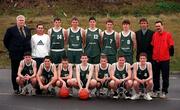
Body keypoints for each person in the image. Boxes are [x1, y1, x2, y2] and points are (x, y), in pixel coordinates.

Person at [3, 15, 31, 94]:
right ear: (17, 21)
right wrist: (11, 49)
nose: (21, 22)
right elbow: (5, 41)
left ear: (24, 21)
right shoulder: (11, 30)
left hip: (25, 55)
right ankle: (16, 88)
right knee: (15, 71)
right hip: (15, 54)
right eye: (20, 20)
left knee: (25, 71)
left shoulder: (27, 29)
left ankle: (24, 88)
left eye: (22, 20)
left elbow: (28, 41)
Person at [151, 20, 174, 98]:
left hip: (165, 60)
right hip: (155, 59)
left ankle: (164, 91)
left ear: (162, 26)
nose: (158, 27)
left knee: (165, 77)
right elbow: (152, 46)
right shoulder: (154, 35)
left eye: (159, 26)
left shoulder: (168, 35)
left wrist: (168, 55)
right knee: (155, 76)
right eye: (156, 26)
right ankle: (156, 90)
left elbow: (171, 46)